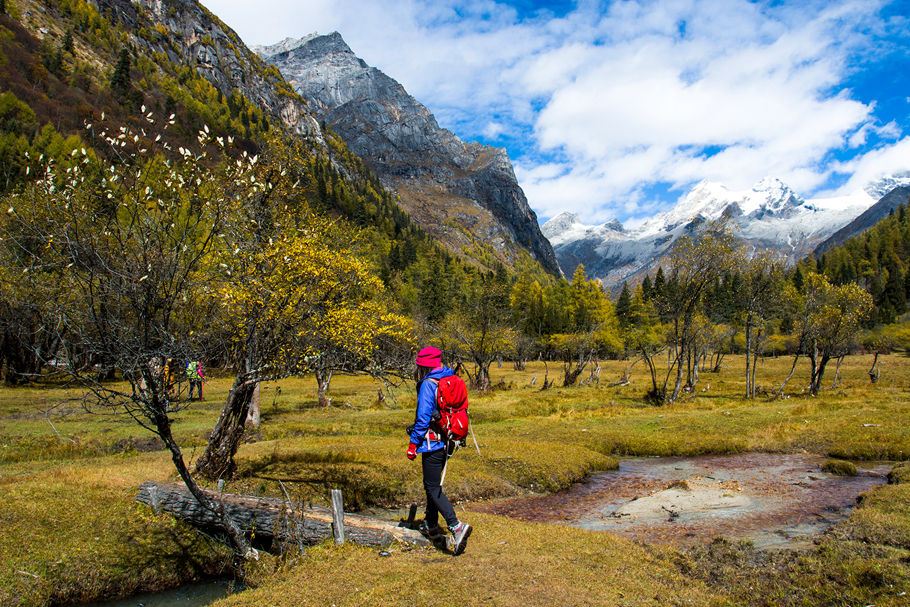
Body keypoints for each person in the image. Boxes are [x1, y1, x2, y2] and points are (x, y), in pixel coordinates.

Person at [407, 346, 472, 555]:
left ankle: (456, 526)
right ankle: (431, 525)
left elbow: (423, 417)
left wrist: (412, 444)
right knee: (432, 485)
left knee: (433, 487)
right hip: (447, 439)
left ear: (423, 365)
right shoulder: (449, 377)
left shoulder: (428, 384)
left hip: (431, 443)